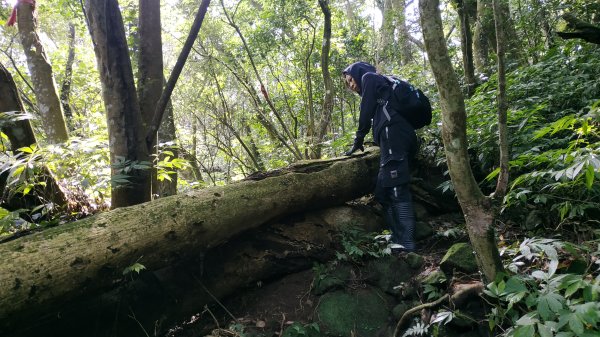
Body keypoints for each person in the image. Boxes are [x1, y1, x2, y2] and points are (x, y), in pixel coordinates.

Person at [342, 61, 418, 253]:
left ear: (357, 73)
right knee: (382, 191)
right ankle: (397, 237)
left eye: (351, 80)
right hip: (393, 138)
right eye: (348, 83)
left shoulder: (369, 77)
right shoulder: (380, 89)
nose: (351, 85)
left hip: (394, 135)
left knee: (396, 187)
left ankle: (407, 243)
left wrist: (359, 138)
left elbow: (365, 110)